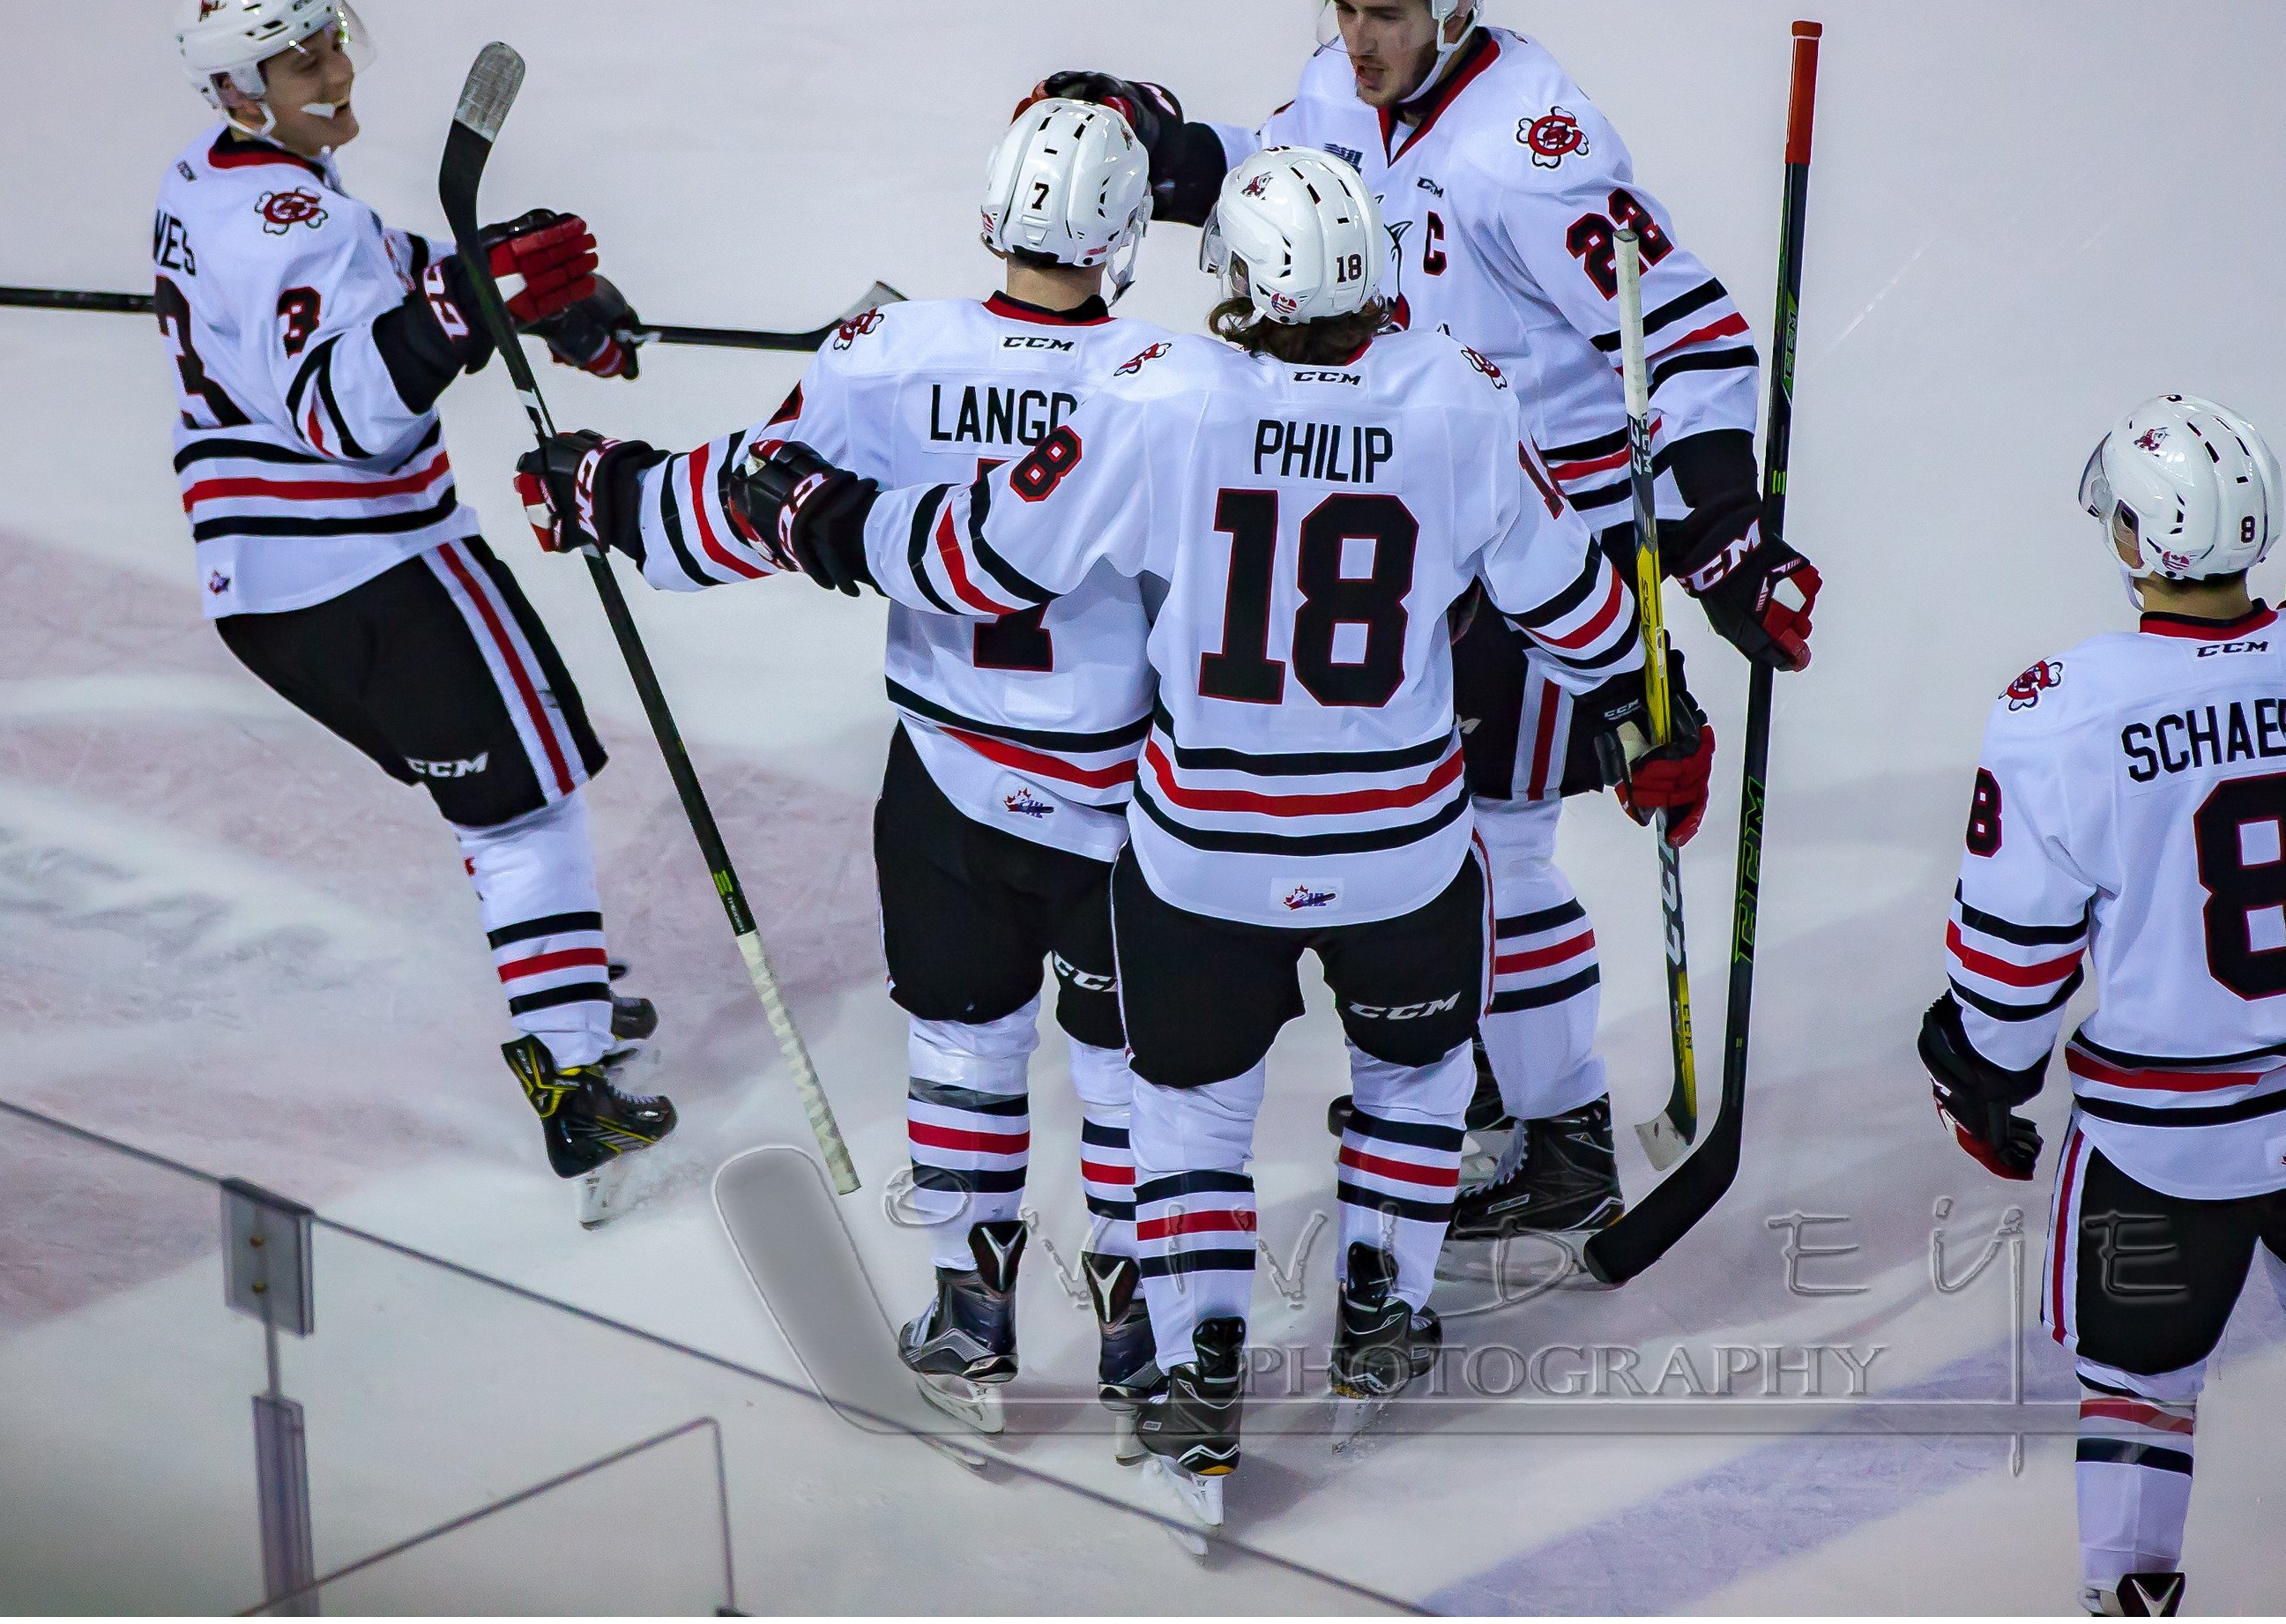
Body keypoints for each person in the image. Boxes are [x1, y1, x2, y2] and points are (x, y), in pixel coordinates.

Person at [722, 145, 1712, 1525]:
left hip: (1205, 850)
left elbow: (980, 559)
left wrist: (825, 519)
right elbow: (1576, 603)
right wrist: (1652, 712)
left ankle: (1196, 1373)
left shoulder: (1161, 395)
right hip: (1399, 847)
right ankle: (1379, 1313)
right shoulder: (1459, 397)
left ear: (1237, 276)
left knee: (1190, 1112)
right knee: (1415, 1073)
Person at [1024, 0, 1816, 1240]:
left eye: (1385, 12)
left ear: (1457, 4)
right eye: (1342, 6)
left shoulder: (1532, 148)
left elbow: (1690, 336)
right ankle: (1504, 1095)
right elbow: (1270, 175)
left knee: (1497, 839)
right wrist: (1163, 149)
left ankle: (1563, 1133)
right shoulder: (1339, 89)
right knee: (1449, 831)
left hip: (1541, 527)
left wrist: (1720, 526)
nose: (1357, 38)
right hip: (1421, 525)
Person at [515, 100, 1172, 1434]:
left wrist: (603, 490)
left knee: (962, 1044)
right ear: (1126, 233)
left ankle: (973, 1316)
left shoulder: (888, 352)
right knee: (1127, 1064)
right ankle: (1137, 1323)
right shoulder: (1173, 380)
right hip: (1122, 798)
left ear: (991, 212)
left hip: (950, 782)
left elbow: (746, 504)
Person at [1918, 394, 2286, 1619]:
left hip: (2168, 1146)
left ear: (2136, 538)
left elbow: (2012, 966)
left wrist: (1982, 1071)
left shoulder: (2058, 711)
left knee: (2138, 1386)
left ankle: (2133, 1597)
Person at [154, 0, 668, 1217]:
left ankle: (564, 993)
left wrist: (513, 297)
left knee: (501, 799)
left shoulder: (206, 181)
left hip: (265, 595)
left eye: (334, 42)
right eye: (304, 62)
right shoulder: (296, 225)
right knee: (525, 809)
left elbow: (373, 278)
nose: (337, 72)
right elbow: (352, 419)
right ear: (240, 89)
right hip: (377, 565)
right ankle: (575, 1079)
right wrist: (461, 306)